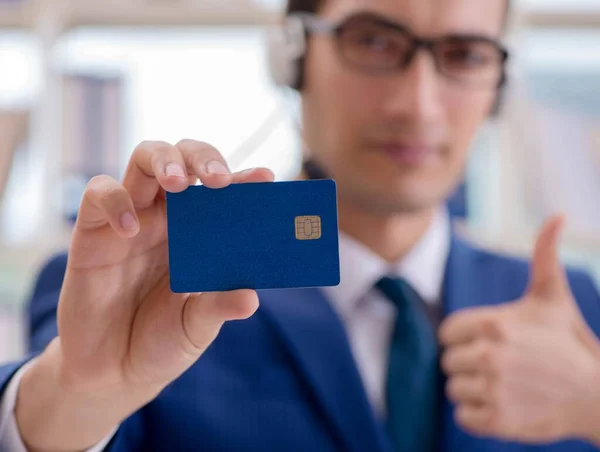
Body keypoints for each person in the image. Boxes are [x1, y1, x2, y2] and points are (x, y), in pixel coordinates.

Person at [2, 0, 600, 450]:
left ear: (497, 85)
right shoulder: (157, 286)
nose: (417, 105)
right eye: (373, 41)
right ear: (291, 58)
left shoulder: (571, 310)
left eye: (466, 55)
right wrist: (80, 395)